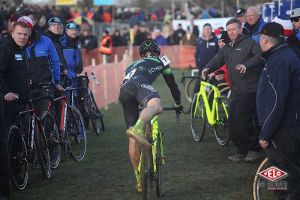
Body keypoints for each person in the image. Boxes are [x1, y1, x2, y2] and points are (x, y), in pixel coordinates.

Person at [119, 39, 182, 193]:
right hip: (140, 85)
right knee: (155, 105)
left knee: (132, 139)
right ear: (157, 52)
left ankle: (138, 179)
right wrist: (178, 103)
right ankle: (138, 127)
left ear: (142, 54)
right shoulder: (162, 61)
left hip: (124, 91)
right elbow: (172, 84)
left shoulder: (132, 64)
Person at [201, 18, 263, 162]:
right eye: (228, 30)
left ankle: (253, 149)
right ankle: (241, 150)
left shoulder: (250, 43)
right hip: (235, 89)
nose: (231, 32)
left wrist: (246, 65)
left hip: (249, 89)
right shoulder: (227, 46)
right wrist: (207, 68)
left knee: (242, 118)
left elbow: (260, 57)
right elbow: (217, 59)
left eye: (234, 29)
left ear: (240, 29)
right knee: (233, 120)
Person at [257, 22, 300, 200]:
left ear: (265, 39)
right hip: (287, 125)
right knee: (286, 171)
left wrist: (265, 134)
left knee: (284, 174)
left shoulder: (279, 60)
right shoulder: (281, 55)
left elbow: (277, 101)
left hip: (284, 128)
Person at [0, 21, 31, 200]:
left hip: (22, 102)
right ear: (12, 34)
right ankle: (13, 175)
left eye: (25, 35)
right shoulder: (6, 48)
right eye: (19, 34)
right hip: (8, 104)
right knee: (10, 142)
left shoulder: (22, 50)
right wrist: (6, 92)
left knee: (19, 140)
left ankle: (19, 172)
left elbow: (19, 73)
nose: (22, 37)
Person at [18, 15, 63, 115]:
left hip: (44, 86)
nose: (23, 31)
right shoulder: (16, 44)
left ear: (31, 28)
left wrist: (56, 81)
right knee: (27, 120)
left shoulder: (46, 41)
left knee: (46, 119)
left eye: (26, 27)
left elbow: (55, 62)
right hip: (26, 88)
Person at [193, 23, 219, 94]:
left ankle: (211, 102)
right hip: (201, 69)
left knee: (212, 88)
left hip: (213, 69)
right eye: (205, 29)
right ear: (203, 31)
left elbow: (219, 54)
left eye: (209, 29)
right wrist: (198, 65)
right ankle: (194, 102)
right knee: (197, 87)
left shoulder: (216, 40)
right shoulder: (200, 41)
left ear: (211, 30)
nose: (207, 31)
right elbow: (196, 55)